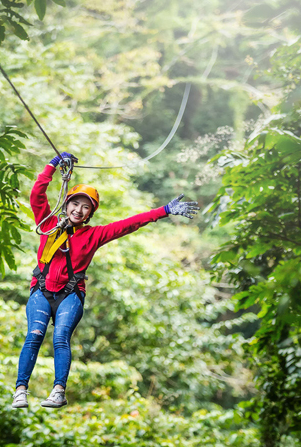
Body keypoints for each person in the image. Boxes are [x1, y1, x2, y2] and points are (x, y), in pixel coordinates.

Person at [12, 152, 199, 409]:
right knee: (34, 336)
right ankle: (20, 390)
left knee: (60, 338)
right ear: (66, 205)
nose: (78, 210)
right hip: (41, 291)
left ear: (90, 213)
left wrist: (165, 211)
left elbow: (130, 224)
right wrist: (52, 165)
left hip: (70, 295)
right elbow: (37, 194)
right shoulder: (49, 224)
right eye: (75, 204)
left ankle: (58, 391)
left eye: (85, 207)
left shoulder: (95, 235)